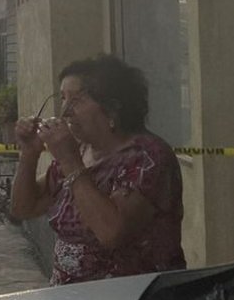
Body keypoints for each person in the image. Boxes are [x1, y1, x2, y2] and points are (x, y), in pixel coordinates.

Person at [9, 54, 185, 285]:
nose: (65, 112)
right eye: (63, 98)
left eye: (76, 101)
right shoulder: (81, 150)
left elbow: (111, 232)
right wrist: (29, 154)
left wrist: (70, 162)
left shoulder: (148, 157)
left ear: (112, 110)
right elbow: (24, 208)